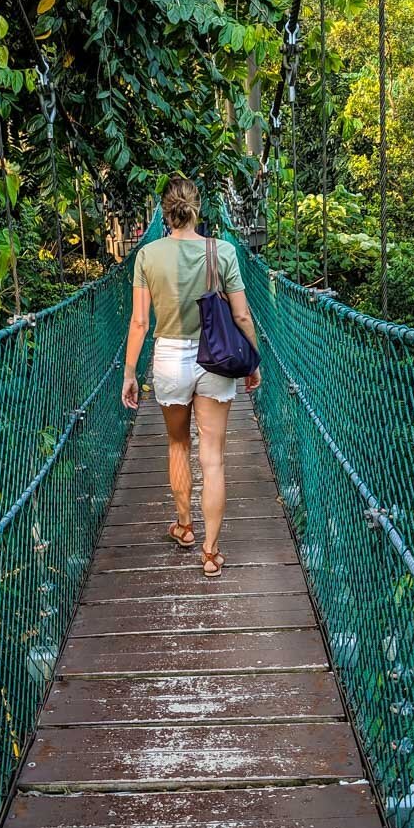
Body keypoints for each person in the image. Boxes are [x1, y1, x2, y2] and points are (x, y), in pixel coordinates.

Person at [122, 177, 261, 577]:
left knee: (178, 445)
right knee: (213, 458)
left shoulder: (147, 255)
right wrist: (252, 361)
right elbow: (241, 315)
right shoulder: (224, 252)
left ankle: (184, 526)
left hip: (169, 360)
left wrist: (130, 372)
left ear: (165, 212)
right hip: (216, 359)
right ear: (198, 209)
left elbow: (139, 322)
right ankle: (211, 552)